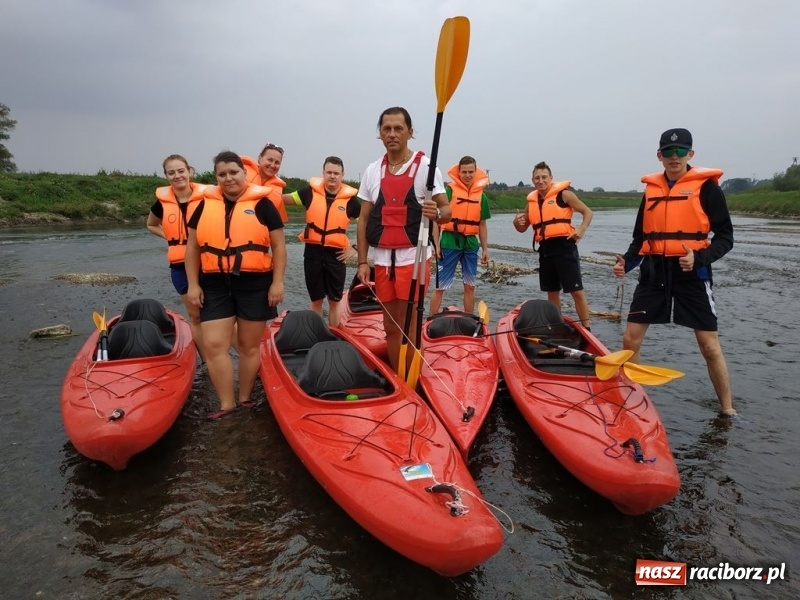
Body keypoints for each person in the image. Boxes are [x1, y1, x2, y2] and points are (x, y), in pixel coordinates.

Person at [613, 128, 736, 417]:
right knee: (630, 338)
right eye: (668, 152)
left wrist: (700, 257)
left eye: (680, 151)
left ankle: (728, 410)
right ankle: (634, 402)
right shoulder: (651, 190)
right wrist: (626, 263)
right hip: (654, 270)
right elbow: (640, 238)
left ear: (690, 154)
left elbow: (726, 236)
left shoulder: (707, 188)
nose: (674, 157)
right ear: (659, 156)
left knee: (709, 346)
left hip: (691, 271)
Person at [184, 151, 286, 420]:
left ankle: (245, 397)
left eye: (233, 172)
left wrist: (277, 283)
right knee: (215, 344)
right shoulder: (204, 205)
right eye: (222, 174)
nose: (228, 178)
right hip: (215, 281)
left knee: (249, 345)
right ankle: (227, 403)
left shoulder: (264, 204)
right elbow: (192, 247)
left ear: (244, 173)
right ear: (216, 177)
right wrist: (193, 285)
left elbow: (278, 246)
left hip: (255, 282)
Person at [355, 106, 452, 374]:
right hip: (383, 260)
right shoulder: (372, 171)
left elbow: (447, 211)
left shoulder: (427, 168)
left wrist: (438, 214)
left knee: (411, 324)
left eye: (398, 128)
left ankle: (414, 376)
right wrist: (362, 261)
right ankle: (399, 378)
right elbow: (363, 220)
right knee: (390, 326)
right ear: (380, 134)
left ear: (410, 132)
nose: (392, 134)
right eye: (386, 129)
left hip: (414, 259)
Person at [513, 161, 593, 329]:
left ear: (551, 178)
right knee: (552, 291)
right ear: (532, 180)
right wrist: (516, 223)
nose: (540, 181)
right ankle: (556, 325)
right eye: (537, 178)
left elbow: (588, 212)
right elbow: (522, 228)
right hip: (545, 249)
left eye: (544, 177)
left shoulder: (564, 195)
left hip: (565, 247)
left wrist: (581, 229)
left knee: (576, 290)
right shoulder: (532, 201)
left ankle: (587, 328)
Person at [282, 156, 360, 327]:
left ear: (342, 175)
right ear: (323, 173)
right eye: (329, 172)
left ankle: (333, 335)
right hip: (313, 253)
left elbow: (369, 226)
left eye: (336, 173)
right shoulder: (308, 193)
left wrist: (355, 248)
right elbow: (282, 199)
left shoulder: (352, 202)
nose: (332, 176)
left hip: (337, 255)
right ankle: (317, 334)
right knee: (316, 300)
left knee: (334, 301)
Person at [145, 154, 207, 362]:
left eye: (181, 171)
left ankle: (228, 355)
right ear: (166, 176)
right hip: (179, 266)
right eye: (171, 172)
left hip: (207, 264)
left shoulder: (207, 198)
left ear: (189, 171)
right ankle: (208, 360)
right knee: (196, 316)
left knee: (218, 315)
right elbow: (151, 224)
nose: (177, 176)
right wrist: (170, 237)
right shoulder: (162, 203)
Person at [429, 155, 491, 315]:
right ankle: (430, 319)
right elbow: (437, 220)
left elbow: (482, 224)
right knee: (440, 286)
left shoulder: (481, 196)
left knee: (470, 285)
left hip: (471, 244)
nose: (468, 175)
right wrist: (436, 245)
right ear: (459, 172)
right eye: (464, 172)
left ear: (476, 172)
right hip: (449, 242)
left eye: (471, 172)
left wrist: (485, 249)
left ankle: (469, 318)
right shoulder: (449, 192)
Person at [242, 142, 289, 223]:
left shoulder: (278, 189)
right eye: (270, 160)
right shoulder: (241, 175)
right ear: (260, 158)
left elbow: (278, 225)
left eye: (277, 162)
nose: (273, 165)